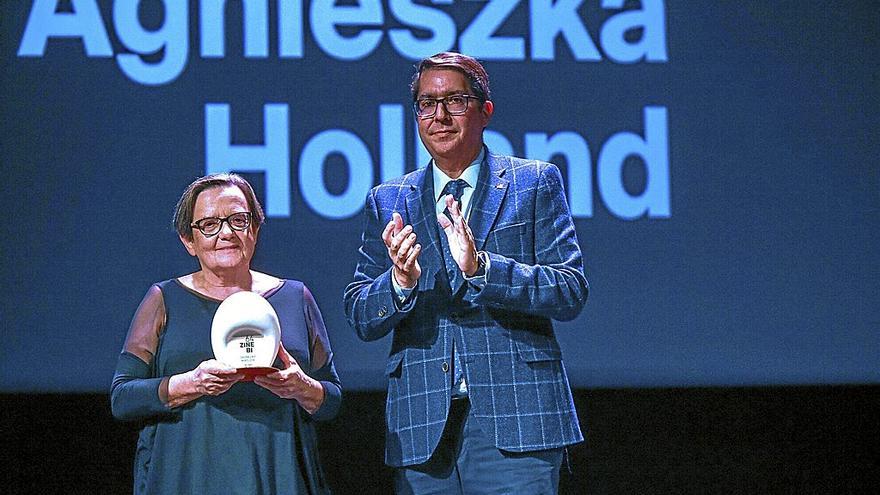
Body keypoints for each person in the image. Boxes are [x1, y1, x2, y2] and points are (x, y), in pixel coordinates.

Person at [343, 52, 588, 494]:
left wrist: (484, 269)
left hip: (518, 423)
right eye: (426, 103)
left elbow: (569, 290)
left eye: (455, 100)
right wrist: (399, 283)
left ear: (485, 110)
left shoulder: (533, 183)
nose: (439, 115)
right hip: (423, 428)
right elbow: (361, 312)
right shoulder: (388, 199)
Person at [111, 173, 341, 495]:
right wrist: (192, 383)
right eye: (209, 224)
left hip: (277, 472)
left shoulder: (295, 297)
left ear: (255, 230)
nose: (226, 233)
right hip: (188, 474)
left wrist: (301, 387)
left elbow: (331, 400)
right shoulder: (163, 299)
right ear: (188, 241)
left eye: (238, 220)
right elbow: (122, 398)